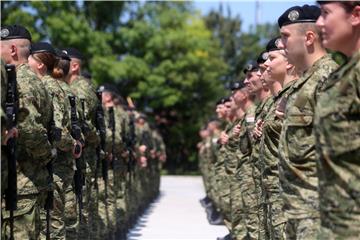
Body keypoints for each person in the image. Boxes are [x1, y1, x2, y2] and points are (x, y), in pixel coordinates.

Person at [276, 4, 339, 239]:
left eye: (285, 37)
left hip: (316, 212)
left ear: (309, 37)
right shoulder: (305, 82)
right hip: (296, 210)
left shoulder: (329, 78)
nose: (281, 44)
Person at [1, 24, 54, 239]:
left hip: (20, 184)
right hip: (27, 182)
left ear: (13, 50)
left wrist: (45, 155)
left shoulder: (19, 81)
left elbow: (28, 126)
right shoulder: (36, 81)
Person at [315, 1, 360, 238]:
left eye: (326, 13)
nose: (320, 22)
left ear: (355, 15)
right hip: (335, 224)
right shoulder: (344, 73)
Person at [28, 41, 82, 240]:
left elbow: (57, 132)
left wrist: (71, 145)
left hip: (53, 167)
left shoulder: (47, 88)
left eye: (30, 58)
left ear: (41, 63)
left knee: (51, 224)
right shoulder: (58, 87)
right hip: (57, 166)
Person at [257, 37, 298, 239]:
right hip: (271, 187)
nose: (265, 65)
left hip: (288, 193)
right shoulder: (278, 100)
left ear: (288, 62)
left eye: (271, 58)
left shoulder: (296, 94)